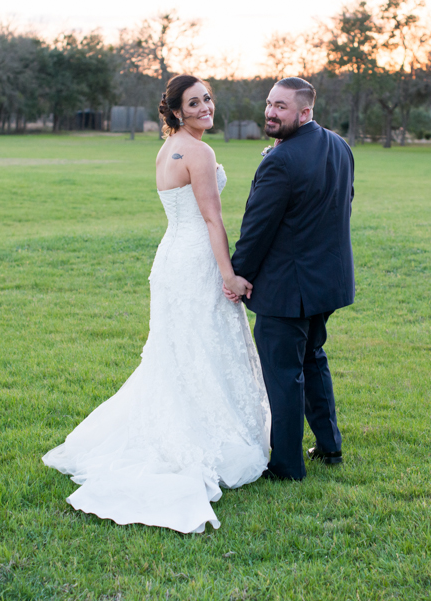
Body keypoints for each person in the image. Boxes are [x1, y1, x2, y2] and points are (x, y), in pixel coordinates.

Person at [43, 75, 270, 534]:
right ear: (178, 111)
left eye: (207, 97)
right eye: (195, 102)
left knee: (179, 350)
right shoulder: (199, 152)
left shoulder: (167, 148)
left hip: (170, 259)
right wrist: (228, 273)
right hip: (196, 262)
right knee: (201, 347)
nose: (206, 106)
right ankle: (200, 439)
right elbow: (211, 217)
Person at [224, 77, 355, 481]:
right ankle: (329, 446)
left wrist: (238, 273)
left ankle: (286, 465)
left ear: (305, 112)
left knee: (282, 374)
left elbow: (258, 226)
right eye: (269, 104)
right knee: (313, 359)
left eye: (281, 107)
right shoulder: (338, 144)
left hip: (289, 286)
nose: (271, 112)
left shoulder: (280, 160)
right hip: (327, 280)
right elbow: (344, 203)